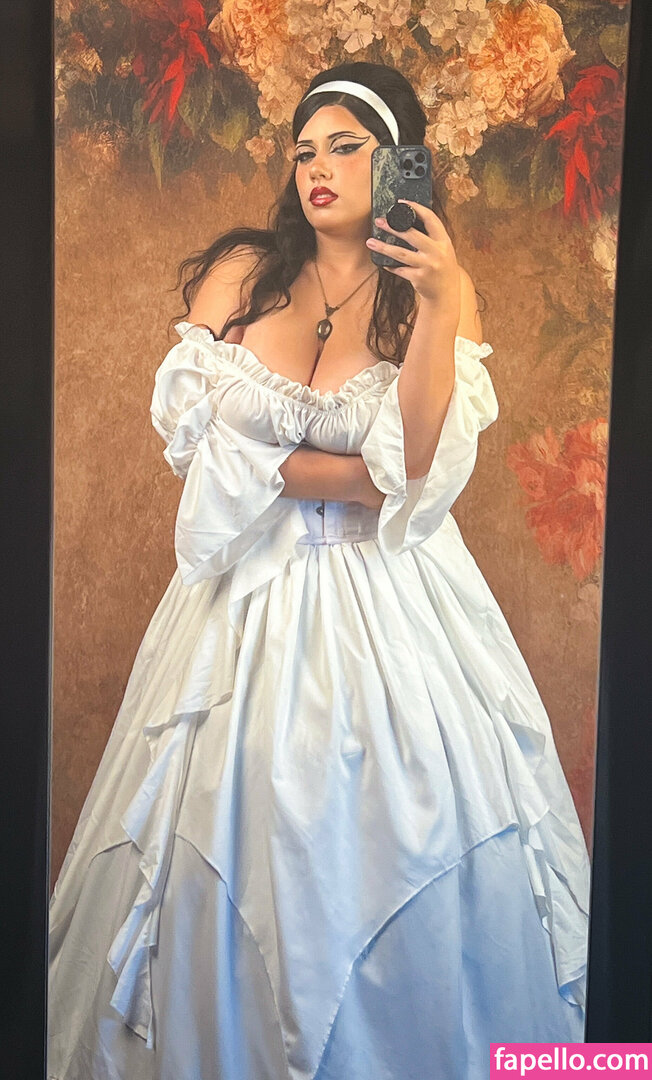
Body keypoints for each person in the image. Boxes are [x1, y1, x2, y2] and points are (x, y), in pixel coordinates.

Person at [48, 61, 590, 1080]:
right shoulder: (242, 272)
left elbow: (416, 470)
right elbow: (199, 445)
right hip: (238, 602)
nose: (317, 168)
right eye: (304, 150)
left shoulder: (438, 291)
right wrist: (352, 477)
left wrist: (437, 302)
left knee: (403, 825)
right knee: (221, 822)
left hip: (395, 606)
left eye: (347, 146)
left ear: (398, 164)